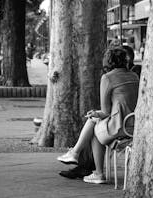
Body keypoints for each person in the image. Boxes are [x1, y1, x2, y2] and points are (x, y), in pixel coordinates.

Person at [56, 47, 139, 184]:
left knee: (94, 123)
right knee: (94, 120)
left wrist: (96, 114)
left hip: (120, 128)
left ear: (107, 61)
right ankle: (76, 155)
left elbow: (106, 111)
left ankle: (95, 170)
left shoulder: (107, 78)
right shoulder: (134, 76)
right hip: (135, 126)